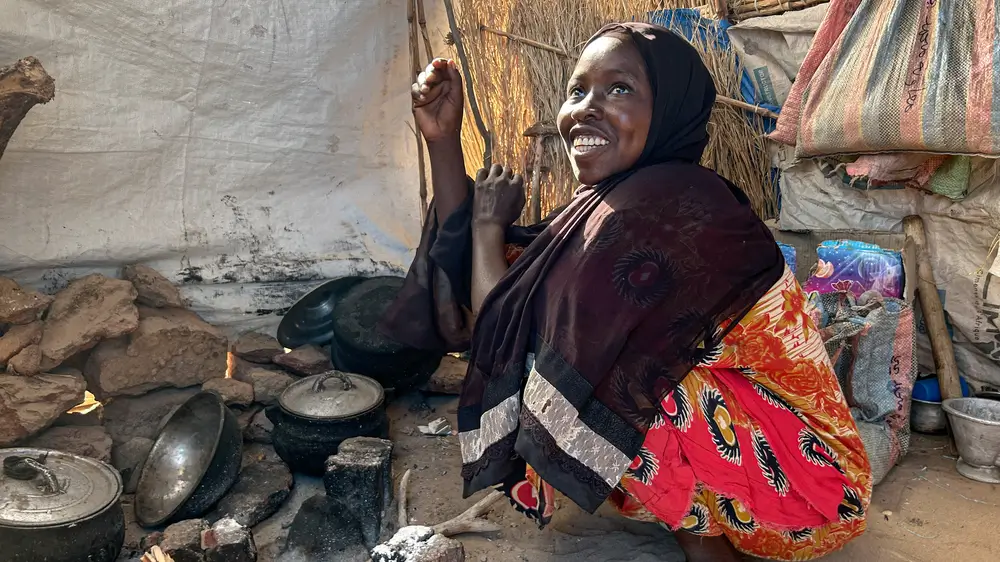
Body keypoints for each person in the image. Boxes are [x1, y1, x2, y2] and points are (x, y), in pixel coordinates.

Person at [381, 22, 871, 562]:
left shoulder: (676, 207)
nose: (586, 108)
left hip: (811, 491)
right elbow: (497, 300)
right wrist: (443, 141)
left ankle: (710, 551)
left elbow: (502, 327)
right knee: (577, 350)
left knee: (595, 367)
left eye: (619, 89)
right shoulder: (622, 201)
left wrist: (485, 230)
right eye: (577, 90)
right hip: (769, 463)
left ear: (669, 109)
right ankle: (698, 524)